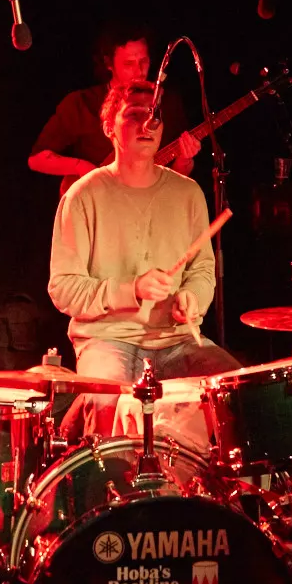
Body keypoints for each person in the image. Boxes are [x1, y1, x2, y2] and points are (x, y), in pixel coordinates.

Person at [48, 80, 238, 434]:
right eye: (135, 115)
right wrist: (131, 289)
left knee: (237, 392)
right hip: (107, 340)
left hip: (176, 340)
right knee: (106, 405)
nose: (148, 124)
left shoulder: (187, 193)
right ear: (109, 127)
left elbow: (202, 271)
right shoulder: (82, 196)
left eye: (155, 116)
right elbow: (63, 289)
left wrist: (192, 298)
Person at [29, 22, 200, 189]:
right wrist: (81, 167)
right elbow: (36, 159)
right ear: (109, 63)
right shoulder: (82, 102)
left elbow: (172, 183)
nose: (139, 71)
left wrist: (184, 160)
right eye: (128, 64)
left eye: (143, 61)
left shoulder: (167, 102)